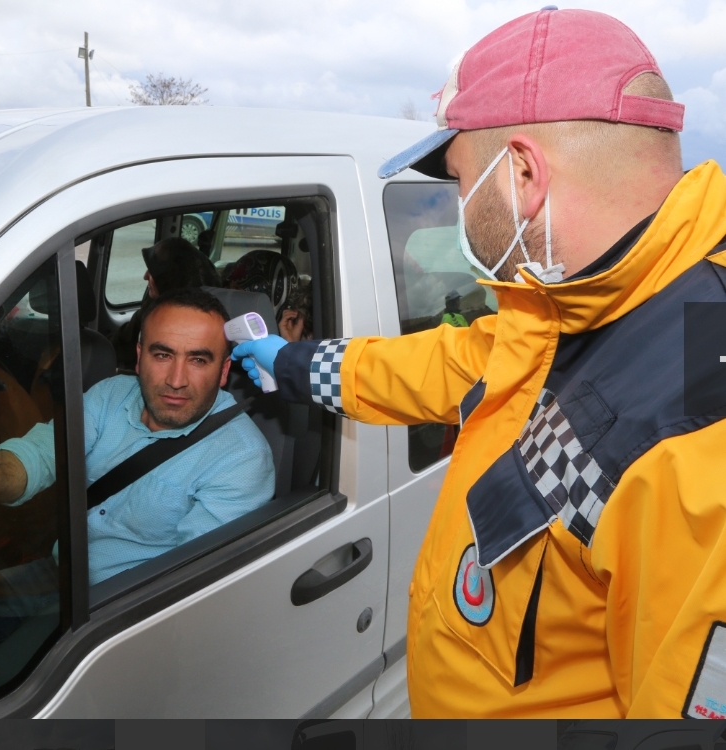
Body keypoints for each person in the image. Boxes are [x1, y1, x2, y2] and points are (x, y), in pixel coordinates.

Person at [233, 9, 726, 718]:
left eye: (459, 182)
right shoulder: (574, 306)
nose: (457, 209)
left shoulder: (699, 429)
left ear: (522, 173)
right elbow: (441, 364)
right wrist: (292, 362)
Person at [0, 288, 275, 586]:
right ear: (139, 357)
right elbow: (43, 452)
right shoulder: (110, 395)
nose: (176, 380)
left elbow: (186, 586)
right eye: (163, 355)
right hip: (59, 572)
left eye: (198, 360)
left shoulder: (242, 459)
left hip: (121, 610)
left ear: (224, 370)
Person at [111, 237, 221, 369]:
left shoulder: (204, 323)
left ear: (168, 277)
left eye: (152, 272)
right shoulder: (150, 308)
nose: (145, 276)